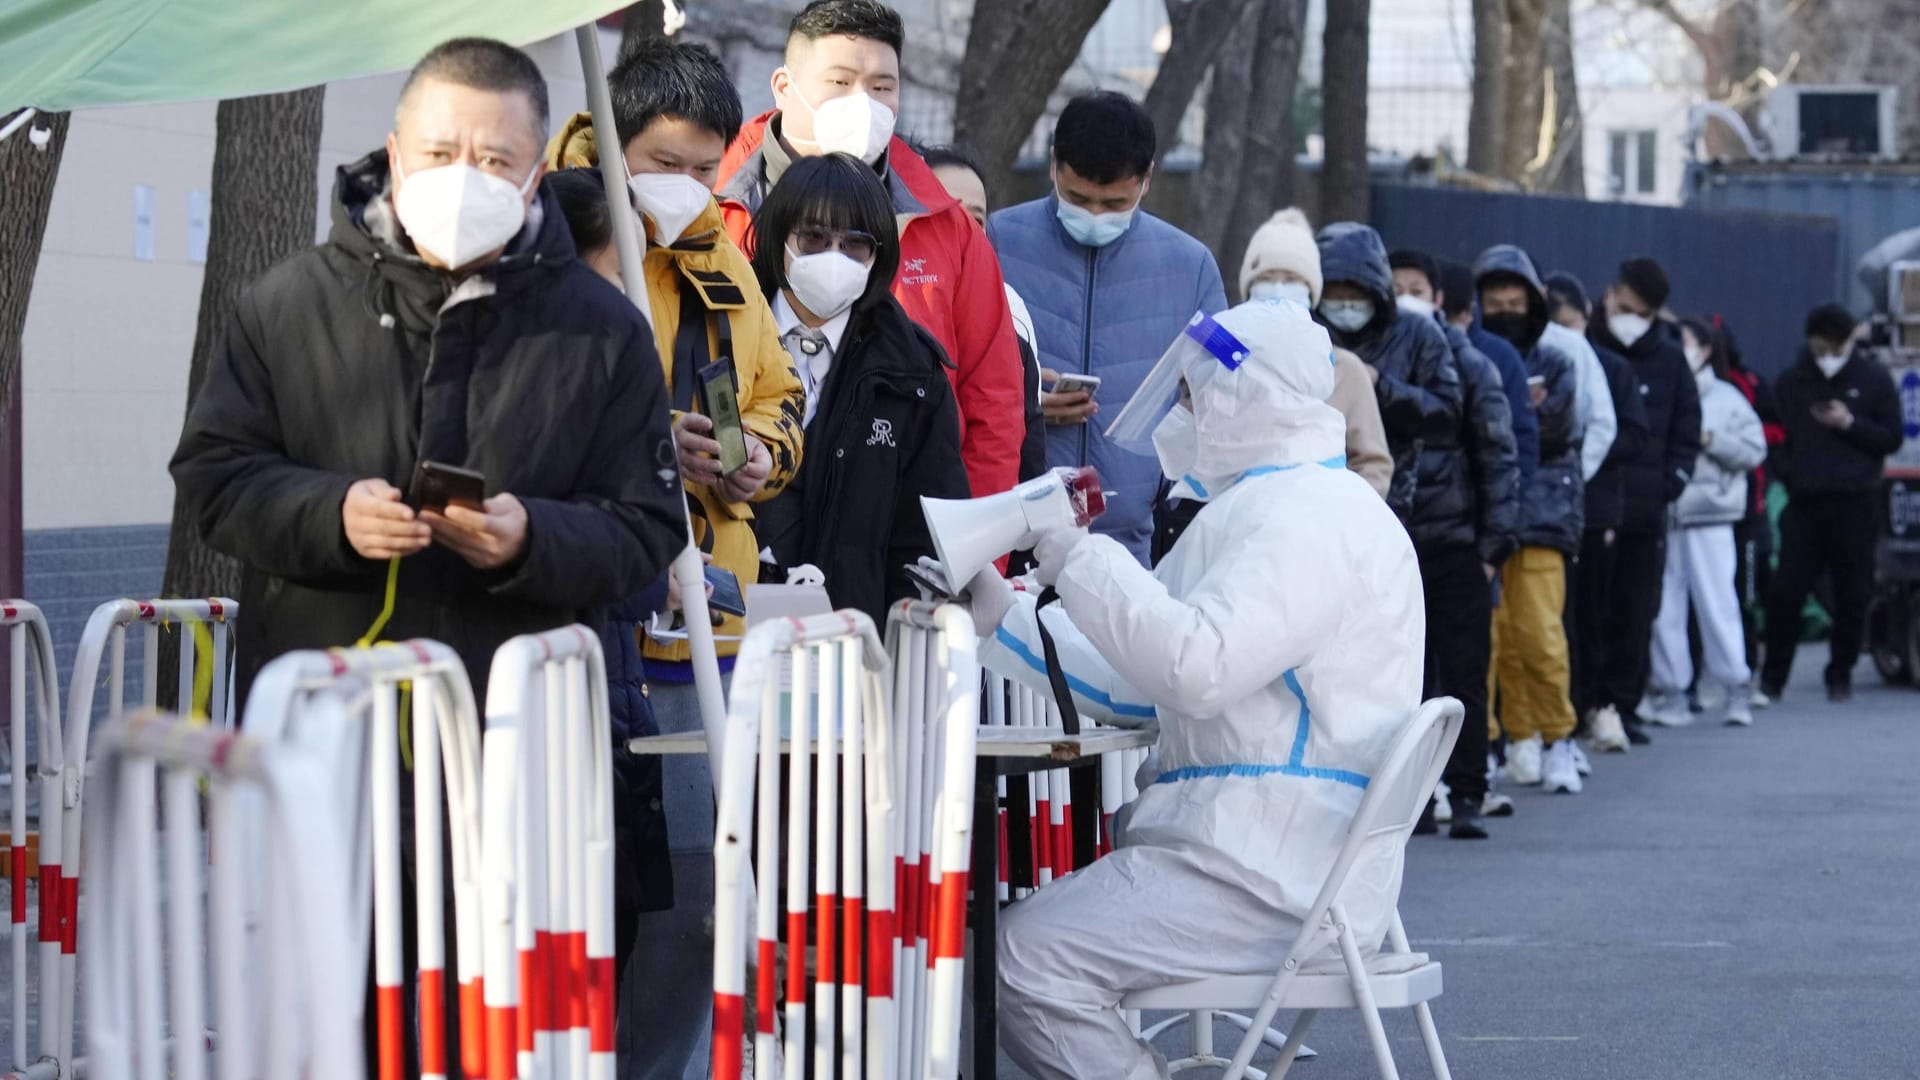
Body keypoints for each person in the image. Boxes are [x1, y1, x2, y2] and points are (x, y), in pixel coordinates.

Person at [168, 37, 687, 1069]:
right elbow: (215, 479)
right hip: (330, 749)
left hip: (518, 762)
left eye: (496, 161)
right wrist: (330, 514)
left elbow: (644, 527)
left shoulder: (604, 332)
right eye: (444, 150)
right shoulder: (284, 305)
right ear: (396, 152)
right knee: (329, 1027)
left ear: (538, 171)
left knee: (501, 1036)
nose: (466, 179)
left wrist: (533, 536)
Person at [963, 299, 1424, 1080]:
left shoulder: (1304, 518)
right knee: (1024, 953)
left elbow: (1195, 667)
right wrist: (1003, 615)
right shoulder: (1276, 505)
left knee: (1021, 963)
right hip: (1270, 854)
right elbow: (1142, 682)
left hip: (1265, 868)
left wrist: (1079, 558)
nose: (1183, 412)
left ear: (1245, 394)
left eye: (1190, 392)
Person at [715, 0, 1025, 500]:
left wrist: (973, 556)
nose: (863, 104)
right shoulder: (716, 199)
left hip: (887, 525)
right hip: (733, 514)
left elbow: (995, 403)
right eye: (839, 83)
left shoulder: (945, 224)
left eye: (882, 87)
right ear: (784, 87)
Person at [990, 91, 1228, 563]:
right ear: (1054, 166)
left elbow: (1229, 376)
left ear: (1147, 181)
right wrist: (1028, 409)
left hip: (1131, 538)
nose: (1095, 215)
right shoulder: (997, 242)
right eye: (1078, 198)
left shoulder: (1192, 267)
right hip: (1013, 529)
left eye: (1114, 203)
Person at [748, 153, 970, 622]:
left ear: (879, 253)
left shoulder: (912, 372)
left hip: (853, 642)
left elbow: (929, 531)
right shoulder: (721, 331)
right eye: (813, 238)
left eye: (855, 244)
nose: (834, 256)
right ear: (779, 237)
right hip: (724, 631)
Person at [1389, 248, 1520, 838]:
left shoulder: (1469, 365)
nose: (1404, 296)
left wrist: (1494, 547)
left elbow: (1498, 455)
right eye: (1394, 286)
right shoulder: (1371, 360)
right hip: (1393, 546)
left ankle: (1469, 789)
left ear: (1439, 298)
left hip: (1457, 543)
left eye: (1415, 286)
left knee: (1466, 673)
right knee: (1404, 681)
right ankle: (1413, 798)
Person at [1473, 245, 1586, 794]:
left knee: (1539, 633)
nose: (1505, 310)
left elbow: (1558, 426)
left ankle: (1557, 736)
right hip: (1486, 512)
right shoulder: (1471, 354)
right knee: (1493, 640)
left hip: (1542, 514)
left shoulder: (1558, 359)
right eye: (1494, 302)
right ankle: (1506, 739)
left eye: (1516, 301)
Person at [1760, 303, 1906, 702]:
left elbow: (1891, 437)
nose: (1827, 357)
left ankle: (1839, 672)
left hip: (1855, 501)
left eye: (1834, 348)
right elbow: (1774, 436)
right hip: (1805, 502)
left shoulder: (1872, 379)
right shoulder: (1792, 382)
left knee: (1853, 592)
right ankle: (1773, 676)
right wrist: (1790, 474)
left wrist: (1850, 423)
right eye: (1820, 347)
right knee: (1786, 590)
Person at [1586, 258, 1702, 733]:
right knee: (1591, 611)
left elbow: (1686, 424)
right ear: (1610, 295)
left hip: (1644, 507)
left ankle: (1622, 705)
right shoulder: (1587, 348)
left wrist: (1671, 479)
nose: (1629, 316)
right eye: (1625, 305)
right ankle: (1586, 704)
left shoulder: (1670, 358)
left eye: (1642, 311)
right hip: (1594, 507)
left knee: (1636, 612)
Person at [1544, 270, 1649, 750]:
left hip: (1597, 505)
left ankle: (1600, 703)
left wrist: (1578, 461)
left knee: (1596, 613)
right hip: (1547, 509)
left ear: (1586, 316)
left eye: (1568, 322)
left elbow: (1629, 434)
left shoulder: (1609, 367)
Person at [1646, 317, 1767, 726]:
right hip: (1667, 514)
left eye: (1687, 343)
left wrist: (1713, 440)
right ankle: (1674, 691)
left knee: (1718, 604)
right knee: (1665, 608)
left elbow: (1755, 449)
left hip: (1710, 515)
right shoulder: (1664, 391)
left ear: (1704, 350)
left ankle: (1736, 688)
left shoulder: (1727, 397)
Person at [1313, 222, 1462, 521]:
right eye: (1335, 296)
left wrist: (1380, 386)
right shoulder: (1305, 330)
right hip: (1314, 499)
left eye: (1354, 295)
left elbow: (1447, 413)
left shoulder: (1417, 332)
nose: (1345, 307)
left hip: (1404, 503)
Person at [1241, 208, 1394, 498]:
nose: (1278, 288)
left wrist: (1341, 514)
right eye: (1267, 277)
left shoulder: (1344, 370)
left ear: (1311, 291)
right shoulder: (1225, 360)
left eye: (1291, 279)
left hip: (1320, 531)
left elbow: (1373, 465)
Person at [922, 142, 1049, 482]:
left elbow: (1025, 444)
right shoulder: (880, 298)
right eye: (945, 213)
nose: (963, 232)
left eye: (975, 219)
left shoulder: (1012, 310)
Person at [1717, 322, 1785, 703]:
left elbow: (1774, 432)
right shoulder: (1693, 386)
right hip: (1698, 511)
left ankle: (1746, 667)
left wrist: (1740, 437)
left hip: (1746, 507)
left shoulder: (1751, 384)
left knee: (1745, 592)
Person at [1439, 258, 1539, 488]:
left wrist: (1511, 498)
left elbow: (1523, 437)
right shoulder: (1410, 347)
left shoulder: (1500, 356)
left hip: (1480, 496)